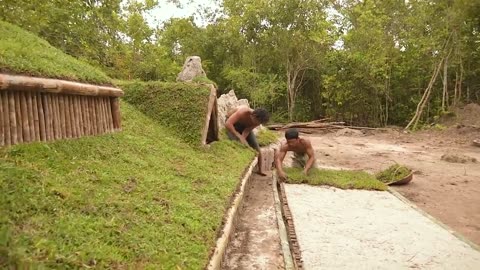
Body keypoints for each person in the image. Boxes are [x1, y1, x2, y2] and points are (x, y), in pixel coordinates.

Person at [225, 105, 270, 176]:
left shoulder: (258, 121)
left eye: (259, 123)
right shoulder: (242, 111)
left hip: (244, 127)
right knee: (235, 143)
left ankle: (260, 170)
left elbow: (247, 130)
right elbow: (228, 123)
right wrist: (238, 136)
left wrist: (243, 138)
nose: (257, 124)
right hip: (233, 124)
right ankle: (235, 168)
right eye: (257, 122)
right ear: (253, 115)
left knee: (256, 147)